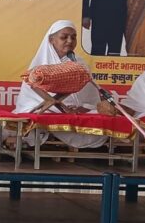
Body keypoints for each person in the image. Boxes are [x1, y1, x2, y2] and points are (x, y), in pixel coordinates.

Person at [13, 20, 107, 149]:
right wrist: (60, 107)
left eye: (73, 37)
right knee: (41, 120)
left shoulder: (80, 63)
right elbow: (30, 102)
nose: (69, 41)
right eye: (64, 37)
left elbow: (90, 99)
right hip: (47, 111)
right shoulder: (39, 65)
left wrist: (83, 107)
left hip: (75, 114)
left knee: (100, 117)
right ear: (51, 40)